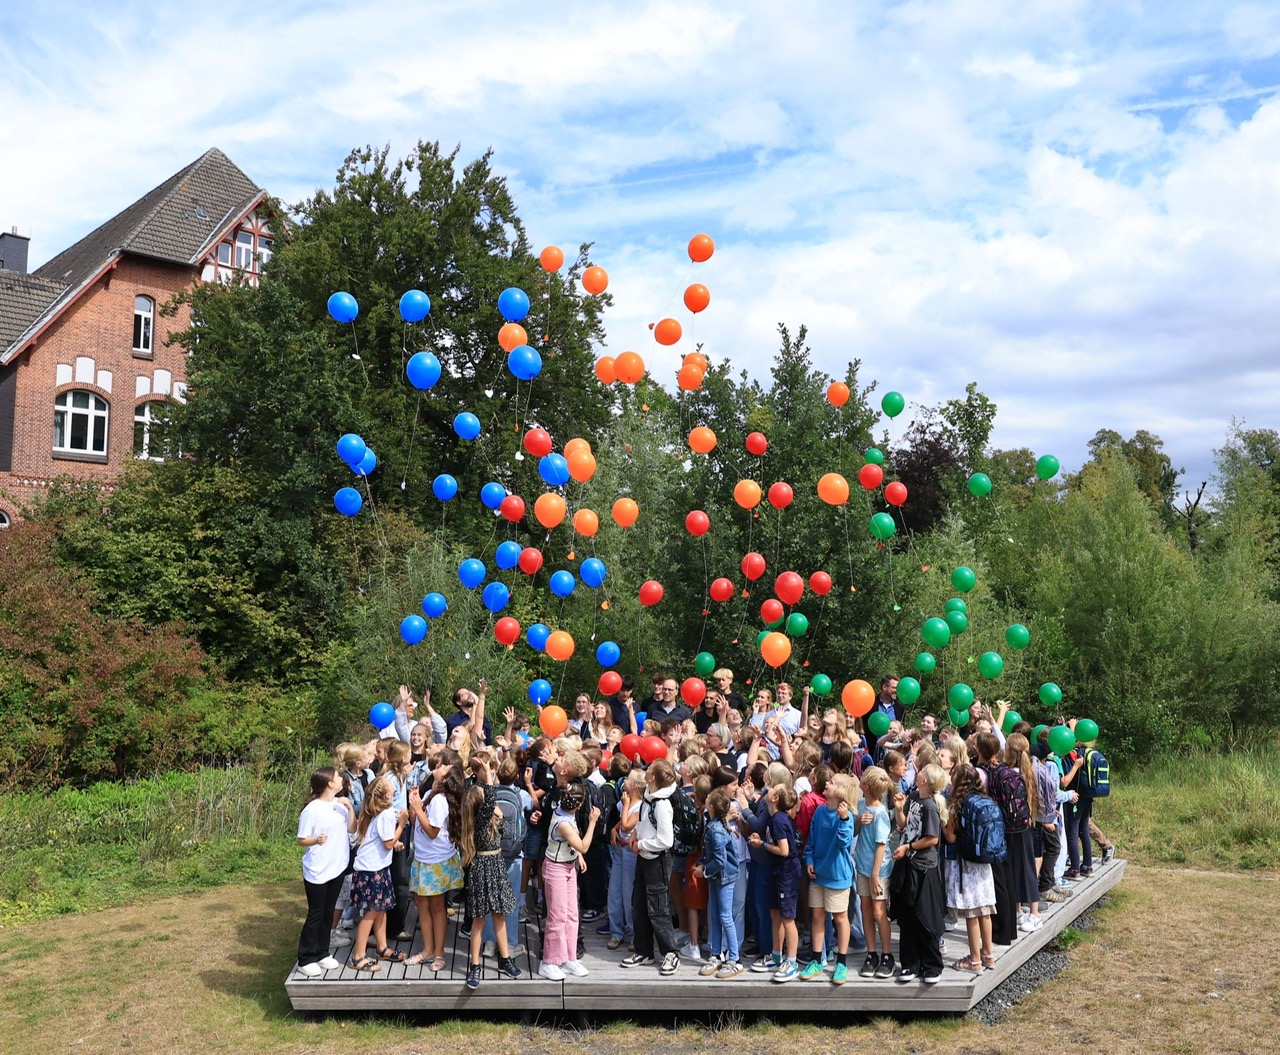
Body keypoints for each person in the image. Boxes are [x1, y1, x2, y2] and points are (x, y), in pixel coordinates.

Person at [457, 762, 522, 989]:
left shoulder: (488, 819)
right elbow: (490, 797)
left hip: (495, 866)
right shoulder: (479, 822)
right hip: (483, 868)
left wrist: (500, 816)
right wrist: (488, 773)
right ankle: (475, 965)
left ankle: (505, 959)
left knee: (499, 915)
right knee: (479, 919)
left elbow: (502, 824)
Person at [295, 767, 357, 977]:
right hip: (317, 870)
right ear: (330, 783)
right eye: (338, 777)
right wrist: (316, 840)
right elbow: (301, 839)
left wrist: (350, 808)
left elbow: (352, 829)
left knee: (329, 912)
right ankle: (306, 957)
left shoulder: (340, 805)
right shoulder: (312, 809)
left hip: (337, 867)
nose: (341, 779)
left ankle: (322, 952)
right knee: (316, 913)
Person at [621, 759, 682, 975]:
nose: (645, 771)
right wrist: (636, 834)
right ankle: (644, 950)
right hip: (643, 858)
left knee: (658, 908)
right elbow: (644, 822)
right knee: (639, 905)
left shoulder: (662, 804)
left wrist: (641, 845)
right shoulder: (649, 796)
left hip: (657, 860)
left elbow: (666, 840)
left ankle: (670, 953)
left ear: (653, 777)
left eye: (649, 770)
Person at [890, 763, 947, 984]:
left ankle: (932, 965)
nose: (917, 771)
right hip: (907, 864)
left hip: (923, 868)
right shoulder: (914, 797)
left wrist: (908, 847)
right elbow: (905, 826)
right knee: (906, 916)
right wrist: (899, 809)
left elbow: (932, 838)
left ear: (925, 781)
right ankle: (910, 964)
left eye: (921, 771)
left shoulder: (930, 806)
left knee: (925, 916)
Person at [404, 761, 464, 972]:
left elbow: (432, 832)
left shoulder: (440, 800)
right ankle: (427, 949)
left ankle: (439, 952)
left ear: (446, 779)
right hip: (422, 858)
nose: (440, 765)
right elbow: (417, 824)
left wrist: (418, 809)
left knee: (437, 908)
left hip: (436, 861)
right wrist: (414, 805)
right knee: (422, 905)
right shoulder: (430, 793)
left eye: (444, 767)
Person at [538, 782, 601, 980]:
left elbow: (573, 844)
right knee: (557, 917)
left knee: (572, 915)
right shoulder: (563, 823)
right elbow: (583, 845)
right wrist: (592, 822)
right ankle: (549, 961)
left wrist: (577, 856)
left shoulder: (564, 811)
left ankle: (568, 957)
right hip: (555, 868)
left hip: (568, 866)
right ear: (579, 805)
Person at [346, 777, 409, 972]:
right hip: (371, 870)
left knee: (381, 909)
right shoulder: (387, 814)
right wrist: (402, 824)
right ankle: (358, 956)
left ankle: (382, 948)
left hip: (376, 868)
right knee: (371, 912)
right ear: (388, 795)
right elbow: (388, 843)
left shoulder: (379, 812)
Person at [799, 773, 855, 984]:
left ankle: (841, 963)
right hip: (819, 874)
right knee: (817, 916)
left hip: (838, 875)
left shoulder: (847, 816)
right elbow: (811, 840)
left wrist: (844, 819)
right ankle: (816, 960)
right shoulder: (820, 811)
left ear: (840, 791)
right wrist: (809, 860)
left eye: (831, 782)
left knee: (840, 918)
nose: (827, 784)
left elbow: (844, 843)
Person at [942, 763, 997, 973]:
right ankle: (988, 954)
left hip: (965, 865)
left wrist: (942, 822)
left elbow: (951, 837)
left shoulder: (957, 805)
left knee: (972, 913)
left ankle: (974, 961)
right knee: (985, 911)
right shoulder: (985, 800)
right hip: (983, 865)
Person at [751, 783, 801, 982]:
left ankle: (792, 962)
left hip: (787, 872)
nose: (768, 788)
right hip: (777, 871)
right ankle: (776, 956)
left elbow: (784, 850)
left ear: (775, 799)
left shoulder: (779, 819)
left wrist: (762, 844)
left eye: (773, 788)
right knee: (775, 914)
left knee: (788, 917)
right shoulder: (774, 817)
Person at [696, 786, 745, 978]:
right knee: (715, 916)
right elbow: (708, 852)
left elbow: (719, 861)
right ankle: (716, 954)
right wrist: (702, 863)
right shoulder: (714, 824)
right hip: (717, 877)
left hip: (724, 877)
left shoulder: (716, 829)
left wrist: (703, 871)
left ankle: (735, 960)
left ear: (711, 807)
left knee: (725, 916)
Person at [854, 765, 895, 979]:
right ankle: (871, 953)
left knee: (879, 912)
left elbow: (881, 845)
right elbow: (854, 832)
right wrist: (858, 821)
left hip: (878, 870)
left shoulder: (880, 813)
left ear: (867, 786)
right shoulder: (861, 805)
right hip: (862, 865)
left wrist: (875, 874)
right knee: (866, 909)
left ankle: (887, 954)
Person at [606, 764, 643, 951]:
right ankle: (616, 932)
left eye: (628, 779)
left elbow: (627, 825)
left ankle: (634, 934)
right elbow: (620, 823)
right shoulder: (623, 802)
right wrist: (614, 829)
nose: (624, 781)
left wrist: (626, 805)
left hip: (631, 852)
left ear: (635, 785)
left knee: (629, 894)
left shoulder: (639, 805)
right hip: (619, 850)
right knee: (614, 892)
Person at [445, 681, 493, 745]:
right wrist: (479, 699)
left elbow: (488, 742)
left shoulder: (484, 718)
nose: (469, 694)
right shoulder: (452, 721)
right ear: (459, 702)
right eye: (464, 694)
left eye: (468, 692)